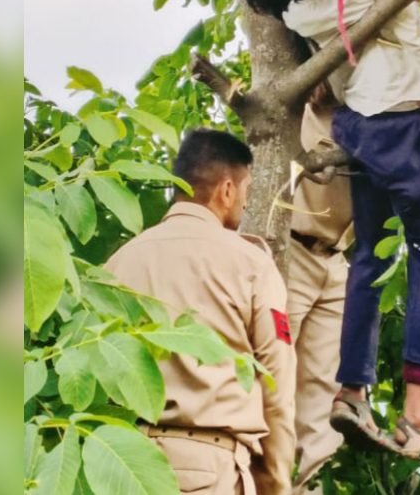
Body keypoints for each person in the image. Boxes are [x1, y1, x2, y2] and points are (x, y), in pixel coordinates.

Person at [237, 0, 420, 476]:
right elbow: (411, 23)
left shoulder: (298, 9)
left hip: (358, 127)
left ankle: (353, 392)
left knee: (373, 256)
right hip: (398, 118)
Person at [286, 0, 420, 491]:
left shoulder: (413, 111)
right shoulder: (335, 89)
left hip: (337, 263)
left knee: (318, 414)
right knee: (263, 380)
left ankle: (316, 459)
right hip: (293, 248)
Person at [104, 129, 296, 495]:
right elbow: (276, 380)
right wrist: (275, 481)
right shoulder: (250, 263)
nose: (243, 204)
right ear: (226, 190)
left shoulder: (119, 262)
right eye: (245, 192)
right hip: (210, 469)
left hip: (123, 466)